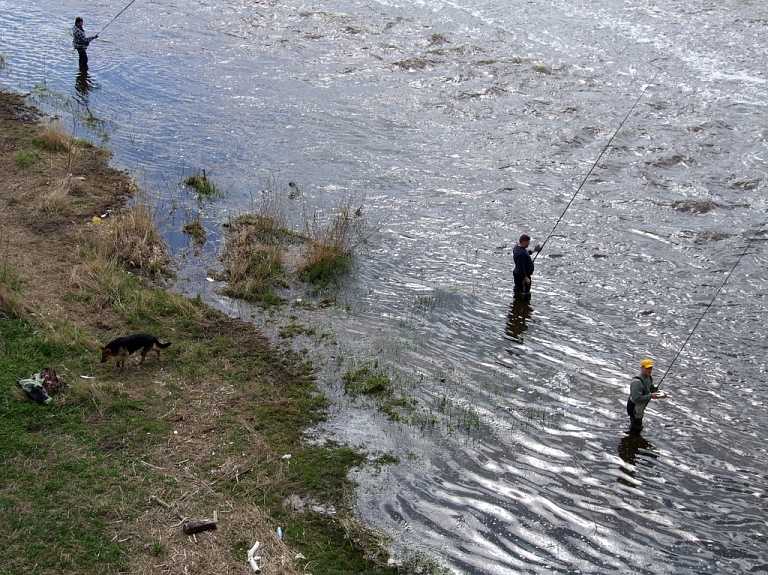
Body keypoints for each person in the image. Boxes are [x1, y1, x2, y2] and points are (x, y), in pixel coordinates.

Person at [626, 358, 665, 431]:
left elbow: (651, 389)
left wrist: (660, 394)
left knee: (637, 424)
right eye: (647, 368)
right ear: (642, 368)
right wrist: (651, 396)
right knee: (636, 427)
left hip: (640, 407)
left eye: (651, 368)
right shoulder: (637, 382)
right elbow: (636, 398)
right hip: (634, 407)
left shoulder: (649, 377)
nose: (649, 370)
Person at [512, 234, 541, 299]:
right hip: (522, 277)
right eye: (528, 243)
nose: (528, 244)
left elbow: (526, 254)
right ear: (524, 242)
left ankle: (516, 303)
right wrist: (526, 278)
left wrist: (534, 250)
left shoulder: (517, 248)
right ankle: (523, 305)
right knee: (525, 293)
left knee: (518, 290)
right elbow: (520, 267)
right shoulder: (521, 253)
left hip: (518, 274)